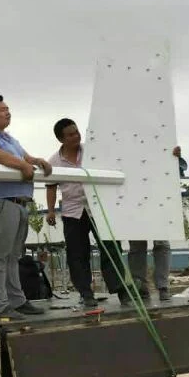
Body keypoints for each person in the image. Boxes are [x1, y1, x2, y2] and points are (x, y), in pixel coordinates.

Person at [0, 95, 52, 321]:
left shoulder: (10, 139)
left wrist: (38, 161)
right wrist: (22, 165)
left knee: (13, 257)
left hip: (19, 204)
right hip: (2, 203)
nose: (8, 112)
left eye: (8, 108)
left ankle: (17, 301)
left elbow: (26, 157)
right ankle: (0, 307)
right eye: (2, 110)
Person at [45, 118, 130, 308]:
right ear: (61, 139)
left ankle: (120, 289)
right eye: (70, 134)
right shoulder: (54, 161)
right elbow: (50, 186)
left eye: (76, 132)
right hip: (73, 211)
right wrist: (50, 211)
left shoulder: (92, 153)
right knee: (77, 253)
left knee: (110, 247)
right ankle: (85, 292)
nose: (75, 136)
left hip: (98, 207)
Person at [127, 146, 187, 303]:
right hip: (134, 201)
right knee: (137, 247)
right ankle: (140, 287)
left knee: (161, 244)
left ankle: (163, 286)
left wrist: (175, 159)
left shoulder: (161, 141)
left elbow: (179, 173)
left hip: (159, 199)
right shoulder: (126, 145)